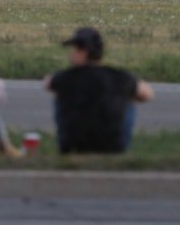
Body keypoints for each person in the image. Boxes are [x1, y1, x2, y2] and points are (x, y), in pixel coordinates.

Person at [46, 26, 154, 154]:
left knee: (60, 95)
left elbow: (48, 83)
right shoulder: (118, 77)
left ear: (83, 52)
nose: (71, 54)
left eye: (74, 50)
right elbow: (148, 93)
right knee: (128, 100)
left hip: (74, 146)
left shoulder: (67, 77)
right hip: (112, 147)